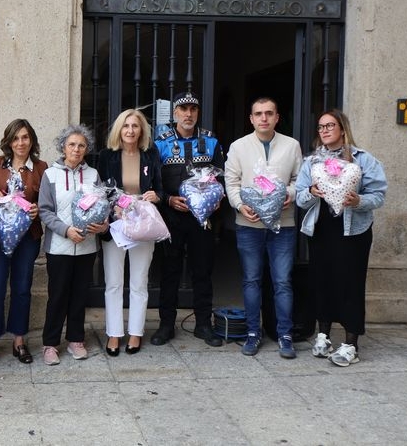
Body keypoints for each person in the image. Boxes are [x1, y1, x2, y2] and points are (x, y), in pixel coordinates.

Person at [295, 109, 387, 367]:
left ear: (343, 129)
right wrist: (313, 192)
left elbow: (378, 195)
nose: (324, 130)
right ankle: (323, 335)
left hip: (353, 232)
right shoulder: (312, 162)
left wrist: (358, 201)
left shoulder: (363, 160)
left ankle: (351, 344)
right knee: (322, 281)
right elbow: (301, 199)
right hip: (321, 230)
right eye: (321, 127)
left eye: (330, 126)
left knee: (351, 284)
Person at [224, 97, 302, 359]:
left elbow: (299, 180)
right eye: (259, 114)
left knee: (282, 281)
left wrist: (288, 195)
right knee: (251, 280)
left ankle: (285, 335)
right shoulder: (238, 147)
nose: (264, 118)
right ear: (251, 118)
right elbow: (231, 181)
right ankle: (252, 333)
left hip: (284, 224)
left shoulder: (292, 146)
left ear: (277, 117)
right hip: (249, 224)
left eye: (269, 113)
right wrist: (239, 205)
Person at [152, 92, 225, 347]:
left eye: (193, 109)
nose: (188, 114)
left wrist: (215, 200)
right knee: (169, 272)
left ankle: (204, 324)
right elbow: (153, 182)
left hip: (202, 219)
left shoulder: (211, 141)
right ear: (174, 114)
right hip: (172, 217)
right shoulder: (160, 142)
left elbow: (222, 178)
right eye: (183, 109)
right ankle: (166, 325)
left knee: (202, 271)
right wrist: (168, 200)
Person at [38, 124, 108, 365]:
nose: (76, 149)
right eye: (72, 145)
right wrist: (66, 230)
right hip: (59, 246)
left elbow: (102, 207)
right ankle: (50, 344)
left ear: (86, 149)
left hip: (87, 247)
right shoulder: (50, 175)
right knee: (57, 296)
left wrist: (103, 225)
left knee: (79, 295)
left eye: (81, 145)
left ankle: (76, 340)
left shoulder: (93, 175)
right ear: (63, 147)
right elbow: (45, 212)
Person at [0, 119, 48, 366]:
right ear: (9, 141)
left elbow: (49, 202)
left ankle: (19, 340)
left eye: (25, 137)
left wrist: (38, 210)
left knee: (22, 288)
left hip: (28, 238)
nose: (21, 143)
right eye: (16, 138)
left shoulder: (41, 168)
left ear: (32, 140)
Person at [97, 110, 163, 356]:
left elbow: (160, 189)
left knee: (139, 282)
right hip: (115, 225)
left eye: (135, 126)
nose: (130, 131)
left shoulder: (151, 155)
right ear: (119, 130)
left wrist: (157, 196)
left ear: (141, 130)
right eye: (126, 126)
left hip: (143, 224)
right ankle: (114, 334)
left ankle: (136, 333)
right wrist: (112, 207)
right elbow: (100, 190)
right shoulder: (106, 156)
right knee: (113, 283)